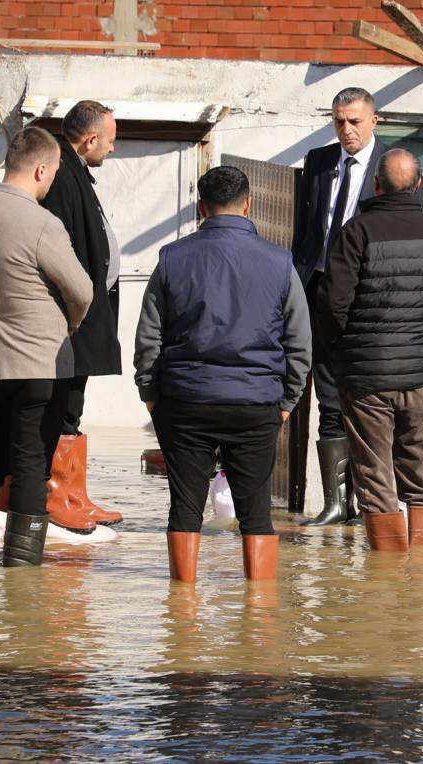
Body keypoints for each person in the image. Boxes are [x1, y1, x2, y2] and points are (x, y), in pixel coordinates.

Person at [134, 165, 311, 583]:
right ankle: (259, 614)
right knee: (256, 511)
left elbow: (149, 337)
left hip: (185, 401)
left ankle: (182, 614)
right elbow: (299, 342)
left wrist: (150, 393)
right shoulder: (280, 262)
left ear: (201, 208)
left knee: (185, 507)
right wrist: (287, 400)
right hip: (255, 403)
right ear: (249, 204)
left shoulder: (171, 260)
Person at [0, 127, 93, 567]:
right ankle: (20, 575)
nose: (51, 183)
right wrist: (68, 324)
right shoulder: (42, 223)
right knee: (31, 463)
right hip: (38, 360)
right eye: (51, 174)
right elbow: (82, 290)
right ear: (39, 169)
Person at [317, 149, 423, 551]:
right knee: (420, 467)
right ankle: (420, 572)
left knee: (374, 473)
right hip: (420, 374)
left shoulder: (356, 232)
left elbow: (334, 305)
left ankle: (384, 577)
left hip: (366, 377)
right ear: (419, 185)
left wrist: (334, 349)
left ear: (376, 184)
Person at [0, 100, 124, 528]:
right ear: (89, 139)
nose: (112, 149)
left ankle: (73, 494)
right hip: (70, 317)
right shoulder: (61, 174)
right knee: (63, 406)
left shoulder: (72, 171)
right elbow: (58, 251)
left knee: (72, 404)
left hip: (82, 313)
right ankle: (57, 497)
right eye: (109, 141)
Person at [292, 87, 387, 526]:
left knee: (365, 396)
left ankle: (369, 499)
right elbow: (305, 230)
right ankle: (335, 502)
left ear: (373, 121)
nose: (346, 130)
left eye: (353, 121)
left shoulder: (393, 168)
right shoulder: (318, 162)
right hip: (318, 288)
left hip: (366, 296)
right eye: (338, 121)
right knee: (324, 391)